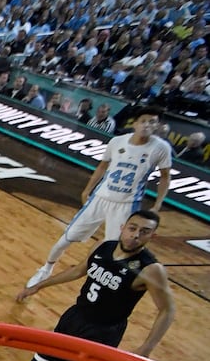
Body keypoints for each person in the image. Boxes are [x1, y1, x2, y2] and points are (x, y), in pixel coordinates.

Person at [5, 209, 174, 361]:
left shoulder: (150, 269)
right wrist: (39, 286)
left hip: (102, 333)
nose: (136, 235)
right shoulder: (105, 247)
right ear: (123, 227)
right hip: (75, 318)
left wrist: (145, 349)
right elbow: (78, 270)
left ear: (152, 236)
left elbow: (167, 310)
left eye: (144, 232)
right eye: (133, 228)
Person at [30, 106, 173, 288]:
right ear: (135, 123)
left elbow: (165, 177)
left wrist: (158, 204)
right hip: (100, 198)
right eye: (143, 121)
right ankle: (46, 269)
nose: (146, 125)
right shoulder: (117, 141)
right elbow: (102, 166)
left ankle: (100, 283)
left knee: (114, 248)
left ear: (157, 125)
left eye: (152, 122)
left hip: (126, 205)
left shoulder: (161, 148)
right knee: (67, 237)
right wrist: (87, 189)